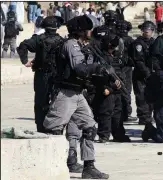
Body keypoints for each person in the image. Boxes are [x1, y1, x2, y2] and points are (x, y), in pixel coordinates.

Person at [42, 15, 109, 179]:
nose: (90, 32)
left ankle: (89, 166)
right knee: (54, 130)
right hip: (65, 93)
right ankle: (50, 166)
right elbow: (79, 69)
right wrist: (98, 68)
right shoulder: (71, 45)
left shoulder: (82, 45)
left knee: (90, 127)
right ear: (81, 30)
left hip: (78, 93)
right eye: (88, 29)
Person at [17, 15, 64, 134]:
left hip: (42, 75)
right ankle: (56, 128)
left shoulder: (39, 39)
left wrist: (25, 61)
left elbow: (23, 45)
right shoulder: (62, 41)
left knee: (40, 102)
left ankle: (41, 128)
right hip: (57, 76)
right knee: (57, 102)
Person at [130, 21, 156, 125]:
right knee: (141, 96)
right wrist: (147, 72)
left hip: (152, 74)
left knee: (152, 96)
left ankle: (149, 116)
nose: (147, 32)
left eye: (149, 30)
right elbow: (138, 60)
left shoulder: (155, 42)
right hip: (140, 74)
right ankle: (143, 117)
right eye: (145, 30)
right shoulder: (138, 43)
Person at [115, 20, 138, 123]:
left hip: (120, 67)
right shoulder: (130, 40)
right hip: (125, 68)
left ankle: (123, 113)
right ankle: (126, 113)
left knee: (121, 89)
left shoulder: (114, 38)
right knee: (126, 90)